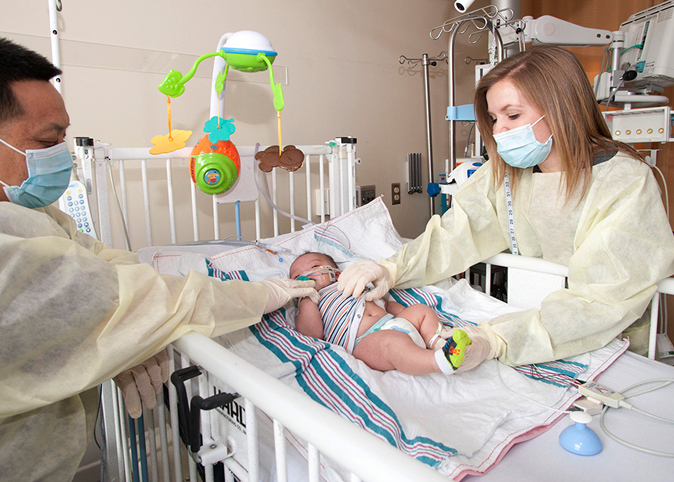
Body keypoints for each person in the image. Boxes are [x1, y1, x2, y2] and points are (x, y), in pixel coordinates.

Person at [0, 37, 317, 482]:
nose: (62, 153)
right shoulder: (10, 253)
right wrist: (267, 290)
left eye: (65, 138)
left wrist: (128, 335)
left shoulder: (31, 216)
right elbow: (144, 297)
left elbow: (102, 261)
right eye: (49, 140)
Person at [338, 46, 674, 370]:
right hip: (525, 325)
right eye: (494, 118)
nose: (499, 131)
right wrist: (392, 269)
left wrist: (499, 338)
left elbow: (601, 302)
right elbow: (457, 233)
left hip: (606, 344)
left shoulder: (625, 182)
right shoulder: (505, 174)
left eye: (512, 115)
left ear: (561, 109)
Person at [290, 252, 472, 375]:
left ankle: (438, 342)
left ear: (337, 274)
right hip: (364, 342)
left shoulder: (352, 282)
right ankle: (437, 361)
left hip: (392, 322)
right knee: (391, 344)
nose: (306, 274)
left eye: (314, 266)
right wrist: (306, 298)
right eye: (296, 276)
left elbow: (384, 304)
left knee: (421, 310)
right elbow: (311, 333)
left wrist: (407, 317)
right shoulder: (313, 300)